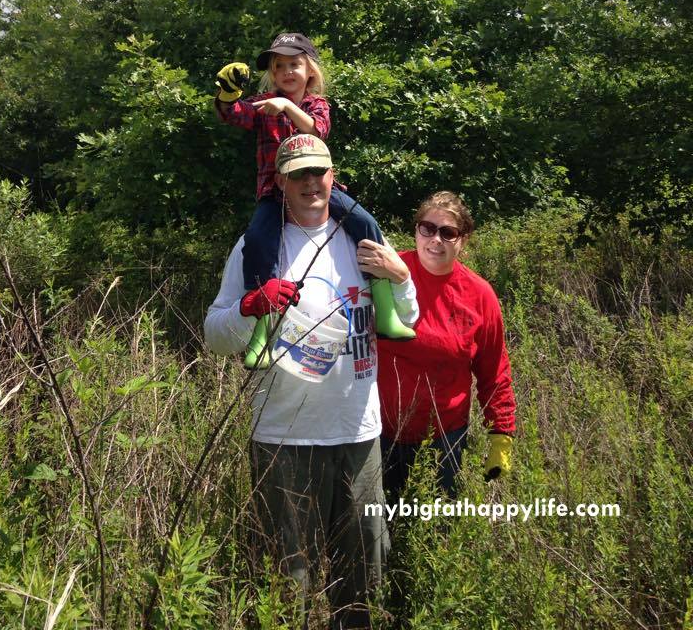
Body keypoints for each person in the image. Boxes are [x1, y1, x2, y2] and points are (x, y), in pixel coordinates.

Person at [204, 134, 419, 630]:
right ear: (280, 182)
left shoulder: (364, 239)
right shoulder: (256, 246)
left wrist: (402, 276)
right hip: (283, 439)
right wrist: (248, 308)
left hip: (358, 436)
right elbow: (215, 335)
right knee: (287, 583)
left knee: (363, 578)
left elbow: (409, 314)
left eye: (317, 172)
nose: (309, 183)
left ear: (332, 176)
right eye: (297, 174)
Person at [215, 31, 414, 350]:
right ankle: (261, 333)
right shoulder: (264, 104)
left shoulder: (316, 104)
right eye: (279, 66)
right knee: (256, 242)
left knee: (366, 224)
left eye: (294, 64)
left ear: (310, 70)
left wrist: (285, 107)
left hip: (320, 189)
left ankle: (386, 310)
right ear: (272, 74)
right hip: (274, 192)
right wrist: (227, 93)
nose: (287, 72)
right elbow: (234, 114)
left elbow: (317, 128)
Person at [358, 191, 516, 500]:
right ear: (416, 230)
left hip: (443, 439)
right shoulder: (386, 270)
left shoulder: (479, 295)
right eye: (427, 228)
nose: (435, 239)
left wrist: (501, 433)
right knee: (376, 529)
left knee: (436, 529)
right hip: (375, 431)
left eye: (448, 232)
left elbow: (494, 371)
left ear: (463, 239)